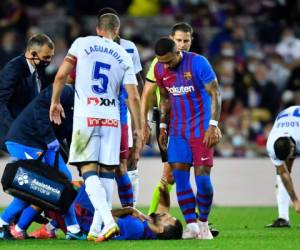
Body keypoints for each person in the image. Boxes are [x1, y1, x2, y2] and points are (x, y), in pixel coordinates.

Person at [49, 13, 142, 242]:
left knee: (87, 169)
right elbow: (134, 96)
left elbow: (61, 75)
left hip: (87, 117)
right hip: (112, 119)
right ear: (116, 30)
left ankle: (108, 222)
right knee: (108, 171)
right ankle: (96, 230)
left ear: (98, 29)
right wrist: (138, 128)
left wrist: (55, 101)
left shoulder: (82, 43)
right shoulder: (123, 54)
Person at [0, 81, 85, 240]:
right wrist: (50, 139)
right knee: (37, 187)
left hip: (40, 143)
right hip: (25, 141)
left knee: (56, 183)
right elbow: (39, 108)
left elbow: (70, 132)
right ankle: (5, 224)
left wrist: (81, 162)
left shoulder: (80, 101)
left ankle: (71, 229)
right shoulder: (64, 91)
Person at [155, 38, 222, 239]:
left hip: (201, 129)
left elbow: (215, 93)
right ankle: (191, 226)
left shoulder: (198, 63)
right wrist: (163, 126)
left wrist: (213, 125)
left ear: (179, 52)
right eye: (161, 62)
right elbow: (165, 98)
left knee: (202, 180)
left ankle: (203, 224)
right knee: (180, 178)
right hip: (177, 130)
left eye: (168, 61)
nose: (165, 66)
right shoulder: (160, 69)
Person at [141, 22, 193, 215]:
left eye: (186, 40)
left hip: (190, 122)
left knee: (179, 172)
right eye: (178, 40)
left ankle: (194, 219)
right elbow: (147, 93)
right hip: (169, 121)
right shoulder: (160, 61)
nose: (182, 44)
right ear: (171, 40)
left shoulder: (193, 61)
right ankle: (153, 217)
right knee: (170, 173)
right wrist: (145, 122)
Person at [97, 7, 144, 208]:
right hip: (111, 114)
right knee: (112, 167)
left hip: (113, 114)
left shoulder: (129, 48)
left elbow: (138, 82)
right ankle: (112, 212)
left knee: (119, 165)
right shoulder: (96, 48)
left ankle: (127, 209)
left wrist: (139, 119)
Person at [31, 179, 183, 241]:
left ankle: (16, 226)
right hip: (89, 216)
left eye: (168, 219)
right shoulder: (148, 224)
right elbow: (164, 206)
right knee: (84, 185)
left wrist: (128, 210)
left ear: (161, 229)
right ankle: (49, 227)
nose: (167, 214)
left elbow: (106, 216)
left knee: (49, 189)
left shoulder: (135, 227)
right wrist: (164, 188)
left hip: (86, 220)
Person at [0, 33, 54, 152]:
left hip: (30, 129)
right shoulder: (14, 69)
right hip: (15, 132)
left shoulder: (38, 68)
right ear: (32, 53)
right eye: (46, 57)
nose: (49, 61)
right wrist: (13, 130)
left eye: (51, 57)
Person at [265, 106, 300, 228]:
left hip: (295, 122)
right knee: (282, 173)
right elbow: (284, 172)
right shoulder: (271, 144)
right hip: (284, 117)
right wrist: (295, 200)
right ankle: (283, 218)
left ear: (292, 147)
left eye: (289, 157)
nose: (287, 161)